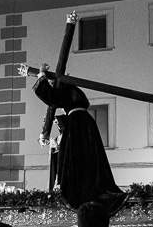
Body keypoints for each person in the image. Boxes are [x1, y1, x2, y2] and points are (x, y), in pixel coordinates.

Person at [25, 63, 127, 215]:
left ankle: (76, 190)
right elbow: (53, 105)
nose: (53, 85)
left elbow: (51, 99)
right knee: (86, 157)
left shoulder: (67, 90)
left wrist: (41, 75)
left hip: (76, 124)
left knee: (72, 156)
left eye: (54, 83)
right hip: (84, 123)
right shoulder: (74, 92)